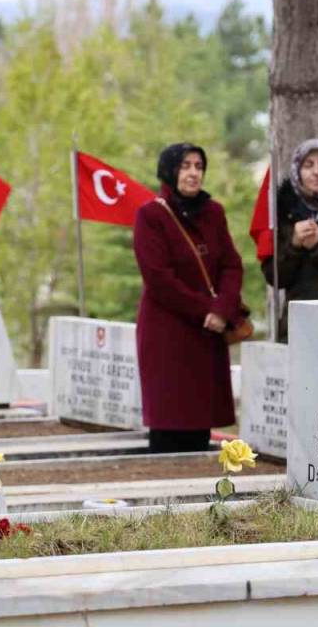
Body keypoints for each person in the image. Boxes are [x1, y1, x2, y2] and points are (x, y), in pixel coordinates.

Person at [133, 143, 247, 453]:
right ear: (170, 171)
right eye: (185, 166)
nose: (193, 173)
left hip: (208, 332)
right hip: (168, 333)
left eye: (198, 166)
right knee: (170, 419)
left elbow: (231, 264)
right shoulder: (151, 215)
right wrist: (207, 310)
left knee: (200, 420)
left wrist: (223, 309)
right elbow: (159, 279)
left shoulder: (213, 213)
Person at [261, 138, 318, 340]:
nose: (317, 172)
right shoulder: (283, 213)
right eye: (308, 165)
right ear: (297, 171)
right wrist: (294, 245)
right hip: (296, 326)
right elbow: (274, 277)